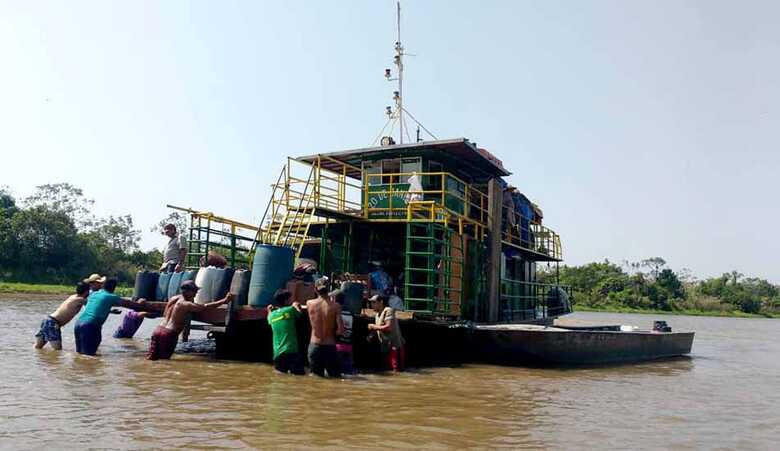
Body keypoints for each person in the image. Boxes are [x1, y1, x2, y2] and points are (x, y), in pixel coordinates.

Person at [147, 280, 233, 360]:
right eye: (195, 291)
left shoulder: (173, 298)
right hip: (169, 334)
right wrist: (224, 301)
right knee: (164, 361)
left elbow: (165, 314)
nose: (196, 294)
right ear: (188, 291)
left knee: (151, 358)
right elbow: (204, 307)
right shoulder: (186, 304)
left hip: (158, 330)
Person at [74, 278, 148, 356]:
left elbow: (97, 305)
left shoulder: (94, 294)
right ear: (114, 288)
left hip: (78, 323)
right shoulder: (112, 297)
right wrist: (139, 303)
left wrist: (109, 311)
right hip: (90, 325)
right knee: (89, 356)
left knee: (79, 355)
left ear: (103, 286)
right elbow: (129, 304)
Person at [306, 278, 344, 378]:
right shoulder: (336, 306)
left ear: (315, 289)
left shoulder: (309, 304)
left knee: (316, 379)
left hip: (314, 345)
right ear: (328, 289)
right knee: (335, 378)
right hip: (329, 346)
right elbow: (341, 330)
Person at [34, 282, 90, 350]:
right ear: (87, 291)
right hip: (53, 323)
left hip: (48, 320)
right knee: (57, 350)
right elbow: (91, 305)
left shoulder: (73, 296)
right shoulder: (80, 300)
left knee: (38, 347)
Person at [266, 289, 305, 375]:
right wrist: (296, 306)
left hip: (277, 354)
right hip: (291, 351)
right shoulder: (290, 310)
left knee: (280, 377)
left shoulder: (271, 316)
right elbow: (299, 314)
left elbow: (268, 318)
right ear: (286, 300)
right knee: (299, 377)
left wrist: (269, 310)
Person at [368, 294, 406, 372]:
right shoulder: (377, 315)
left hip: (394, 347)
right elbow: (380, 328)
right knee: (388, 370)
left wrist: (373, 327)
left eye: (374, 302)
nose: (371, 305)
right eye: (371, 302)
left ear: (381, 302)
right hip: (386, 348)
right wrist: (371, 334)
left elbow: (388, 327)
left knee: (397, 371)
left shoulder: (388, 310)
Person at [332, 289, 355, 375]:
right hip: (349, 346)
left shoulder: (336, 311)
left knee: (335, 375)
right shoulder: (350, 312)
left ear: (334, 299)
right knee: (347, 374)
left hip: (338, 346)